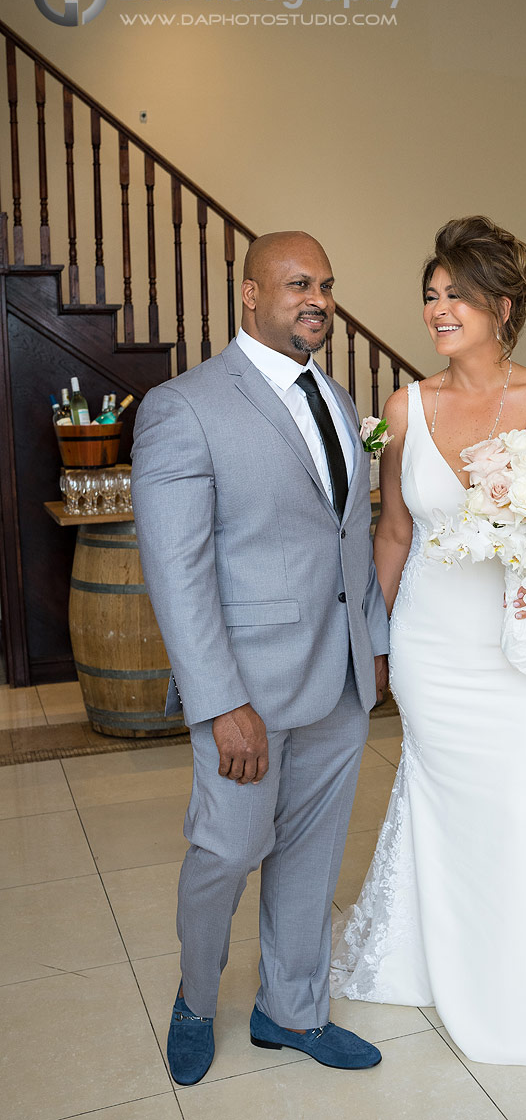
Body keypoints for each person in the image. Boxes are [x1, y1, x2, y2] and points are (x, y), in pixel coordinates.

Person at [330, 215, 526, 1066]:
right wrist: (368, 644)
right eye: (430, 295)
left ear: (503, 304)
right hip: (431, 648)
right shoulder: (403, 407)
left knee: (521, 800)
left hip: (524, 652)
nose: (438, 309)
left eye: (457, 294)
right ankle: (433, 954)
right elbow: (391, 536)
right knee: (442, 799)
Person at [131, 231, 389, 1085]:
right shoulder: (185, 406)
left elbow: (348, 538)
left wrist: (374, 648)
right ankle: (196, 999)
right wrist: (218, 701)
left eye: (324, 283)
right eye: (294, 283)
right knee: (226, 855)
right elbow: (178, 571)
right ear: (248, 295)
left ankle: (292, 1010)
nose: (316, 298)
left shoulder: (340, 399)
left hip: (340, 682)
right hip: (246, 692)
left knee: (312, 858)